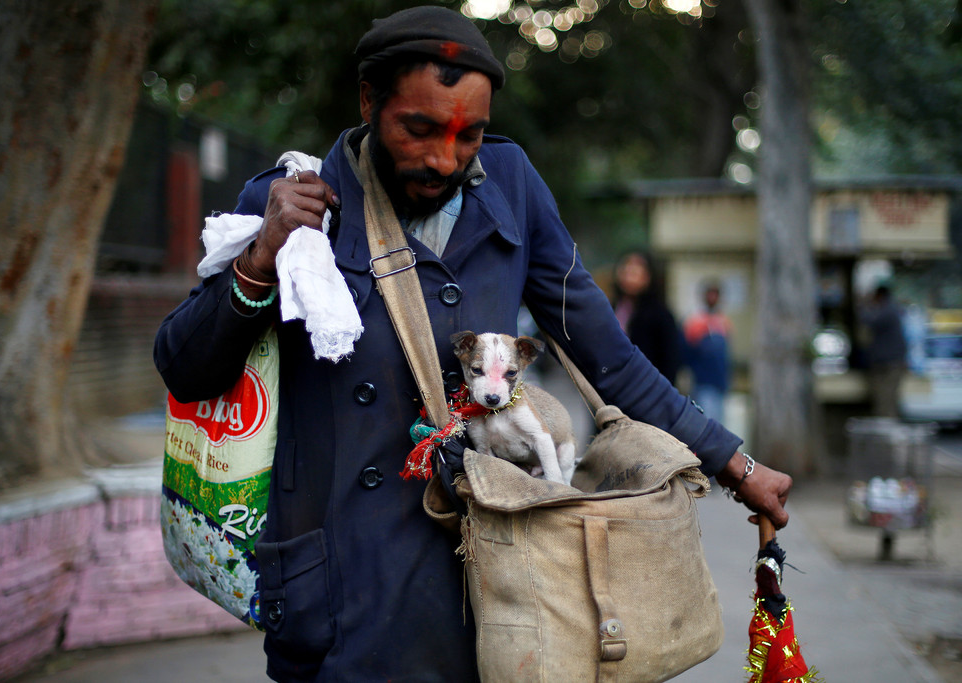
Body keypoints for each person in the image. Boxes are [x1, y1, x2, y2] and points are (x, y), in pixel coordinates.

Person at [154, 7, 793, 681]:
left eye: (470, 135)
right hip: (340, 591)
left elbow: (610, 360)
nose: (444, 157)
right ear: (370, 100)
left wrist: (737, 466)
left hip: (489, 582)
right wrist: (259, 258)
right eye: (420, 129)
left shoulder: (512, 185)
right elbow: (185, 367)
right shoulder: (295, 199)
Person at [611, 250, 682, 384]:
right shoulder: (612, 308)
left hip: (646, 390)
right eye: (626, 268)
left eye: (636, 270)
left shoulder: (661, 315)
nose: (630, 274)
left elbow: (670, 362)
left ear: (649, 276)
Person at [683, 279, 732, 424]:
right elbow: (688, 352)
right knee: (706, 423)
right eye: (710, 294)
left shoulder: (723, 321)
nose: (713, 298)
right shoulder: (695, 321)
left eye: (715, 295)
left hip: (720, 382)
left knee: (719, 423)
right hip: (703, 382)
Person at [860, 283, 908, 417]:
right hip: (888, 361)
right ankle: (887, 428)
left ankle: (887, 431)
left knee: (886, 401)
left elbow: (868, 320)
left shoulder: (887, 310)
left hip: (890, 363)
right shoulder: (890, 309)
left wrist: (864, 304)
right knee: (884, 400)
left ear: (879, 296)